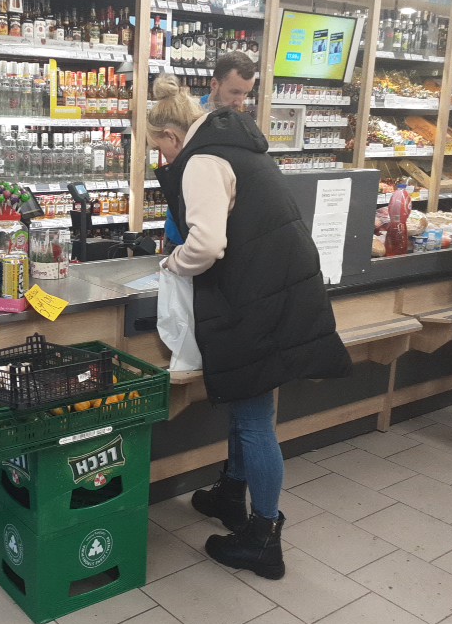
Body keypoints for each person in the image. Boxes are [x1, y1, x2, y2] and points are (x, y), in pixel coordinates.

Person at [148, 74, 352, 579]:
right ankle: (230, 493)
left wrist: (173, 263)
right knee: (247, 404)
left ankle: (264, 536)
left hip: (256, 298)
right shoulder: (239, 145)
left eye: (160, 149)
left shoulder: (201, 161)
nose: (162, 159)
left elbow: (206, 245)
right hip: (277, 288)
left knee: (255, 417)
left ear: (172, 136)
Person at [162, 51, 260, 250]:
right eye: (234, 92)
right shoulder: (188, 118)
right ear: (215, 84)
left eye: (246, 94)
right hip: (181, 232)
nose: (240, 101)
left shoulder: (240, 126)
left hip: (217, 232)